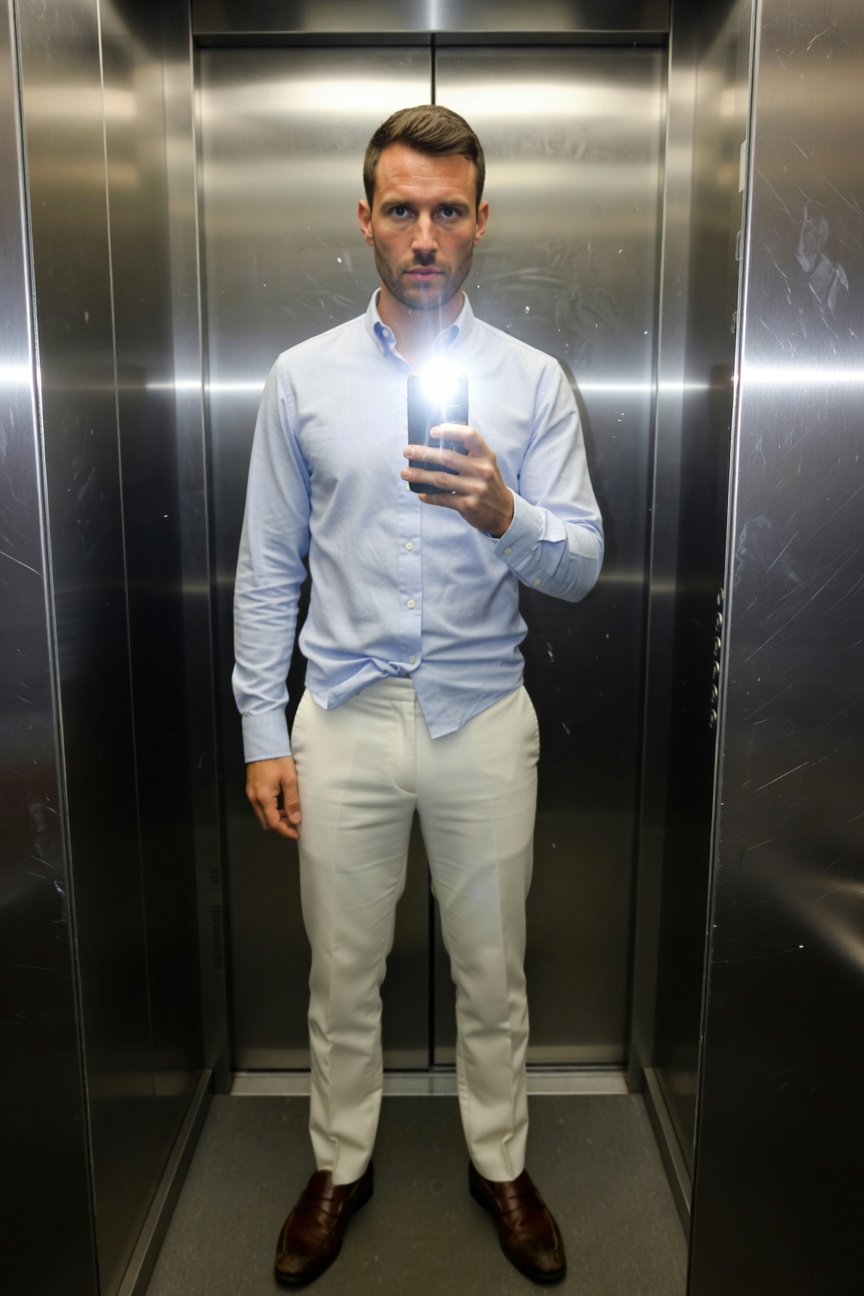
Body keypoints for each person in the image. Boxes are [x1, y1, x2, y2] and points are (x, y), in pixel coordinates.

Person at [233, 104, 603, 1287]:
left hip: (484, 719)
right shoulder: (302, 379)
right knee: (342, 974)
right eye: (403, 209)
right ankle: (341, 1162)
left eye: (449, 210)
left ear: (481, 221)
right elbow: (266, 567)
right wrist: (259, 730)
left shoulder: (532, 383)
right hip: (339, 721)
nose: (426, 234)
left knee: (493, 973)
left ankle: (500, 1160)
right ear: (366, 220)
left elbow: (583, 564)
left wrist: (507, 514)